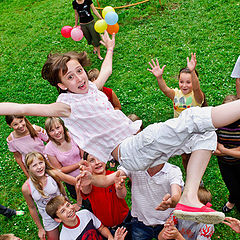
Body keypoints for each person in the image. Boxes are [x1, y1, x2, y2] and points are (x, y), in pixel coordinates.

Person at [3, 32, 240, 223]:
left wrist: (109, 49)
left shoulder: (92, 90)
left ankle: (189, 196)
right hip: (129, 149)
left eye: (79, 71)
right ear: (61, 85)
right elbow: (25, 106)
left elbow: (106, 70)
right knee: (192, 119)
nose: (79, 78)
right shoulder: (65, 106)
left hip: (137, 152)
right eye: (70, 77)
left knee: (205, 133)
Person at [82, 161, 184, 240]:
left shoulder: (173, 171)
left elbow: (176, 195)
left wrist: (171, 201)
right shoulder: (133, 165)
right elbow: (106, 180)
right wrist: (91, 178)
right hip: (140, 224)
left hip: (166, 224)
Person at [148, 54, 205, 172]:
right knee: (184, 157)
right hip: (180, 132)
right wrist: (159, 77)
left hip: (194, 132)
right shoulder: (176, 94)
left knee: (195, 157)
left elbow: (196, 88)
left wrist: (192, 71)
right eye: (181, 81)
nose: (184, 85)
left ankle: (197, 177)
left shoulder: (197, 96)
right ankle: (188, 172)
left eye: (188, 82)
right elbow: (165, 89)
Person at [22, 152, 79, 240]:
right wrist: (40, 228)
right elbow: (32, 207)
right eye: (34, 165)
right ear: (28, 168)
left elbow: (76, 182)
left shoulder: (53, 174)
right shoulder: (26, 188)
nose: (39, 167)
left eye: (41, 163)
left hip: (64, 210)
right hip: (48, 217)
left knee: (77, 233)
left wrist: (79, 203)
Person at [79, 152, 131, 239]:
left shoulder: (113, 175)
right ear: (87, 165)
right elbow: (85, 190)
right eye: (92, 160)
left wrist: (120, 188)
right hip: (106, 227)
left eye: (99, 157)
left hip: (125, 220)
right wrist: (86, 179)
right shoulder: (89, 183)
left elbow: (122, 196)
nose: (97, 162)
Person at [46, 195, 128, 240]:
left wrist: (110, 237)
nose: (69, 210)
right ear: (58, 219)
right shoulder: (65, 237)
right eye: (63, 211)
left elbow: (101, 228)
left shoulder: (85, 214)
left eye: (68, 205)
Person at [214, 95, 240, 213]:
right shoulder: (218, 125)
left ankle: (234, 201)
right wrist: (234, 151)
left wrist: (224, 150)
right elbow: (215, 149)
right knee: (231, 185)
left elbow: (220, 150)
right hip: (225, 164)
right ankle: (233, 199)